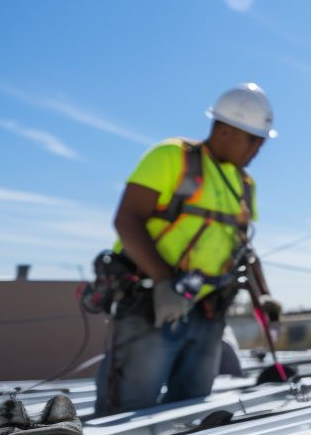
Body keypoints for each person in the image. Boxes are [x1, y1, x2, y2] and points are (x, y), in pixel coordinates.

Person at [95, 83, 278, 415]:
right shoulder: (171, 158)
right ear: (226, 130)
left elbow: (242, 248)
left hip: (206, 314)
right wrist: (165, 282)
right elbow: (128, 220)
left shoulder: (244, 185)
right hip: (152, 305)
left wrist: (262, 294)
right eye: (254, 139)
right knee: (127, 411)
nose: (259, 149)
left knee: (190, 412)